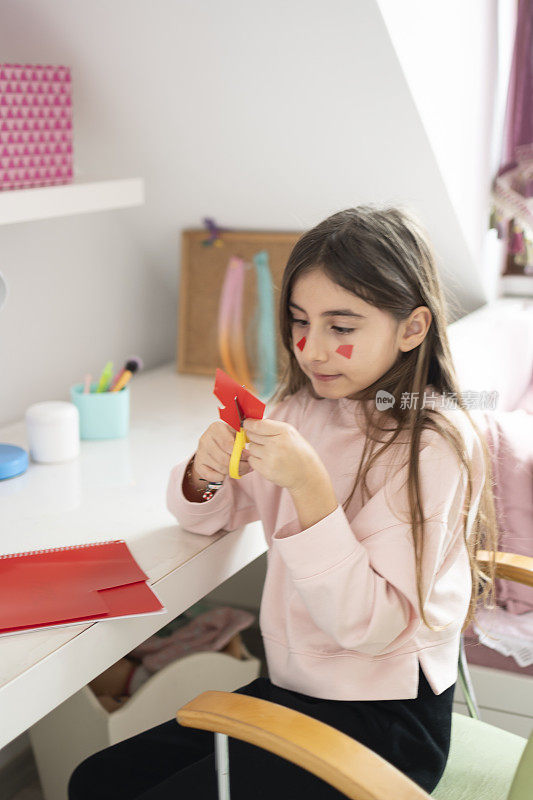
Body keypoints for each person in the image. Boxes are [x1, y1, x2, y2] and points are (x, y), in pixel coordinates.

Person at [68, 205, 499, 800]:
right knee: (95, 781)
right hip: (295, 687)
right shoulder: (301, 407)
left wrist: (311, 491)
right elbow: (208, 515)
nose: (311, 350)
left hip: (385, 718)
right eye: (300, 321)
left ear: (412, 328)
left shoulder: (430, 445)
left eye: (341, 328)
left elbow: (371, 629)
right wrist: (204, 472)